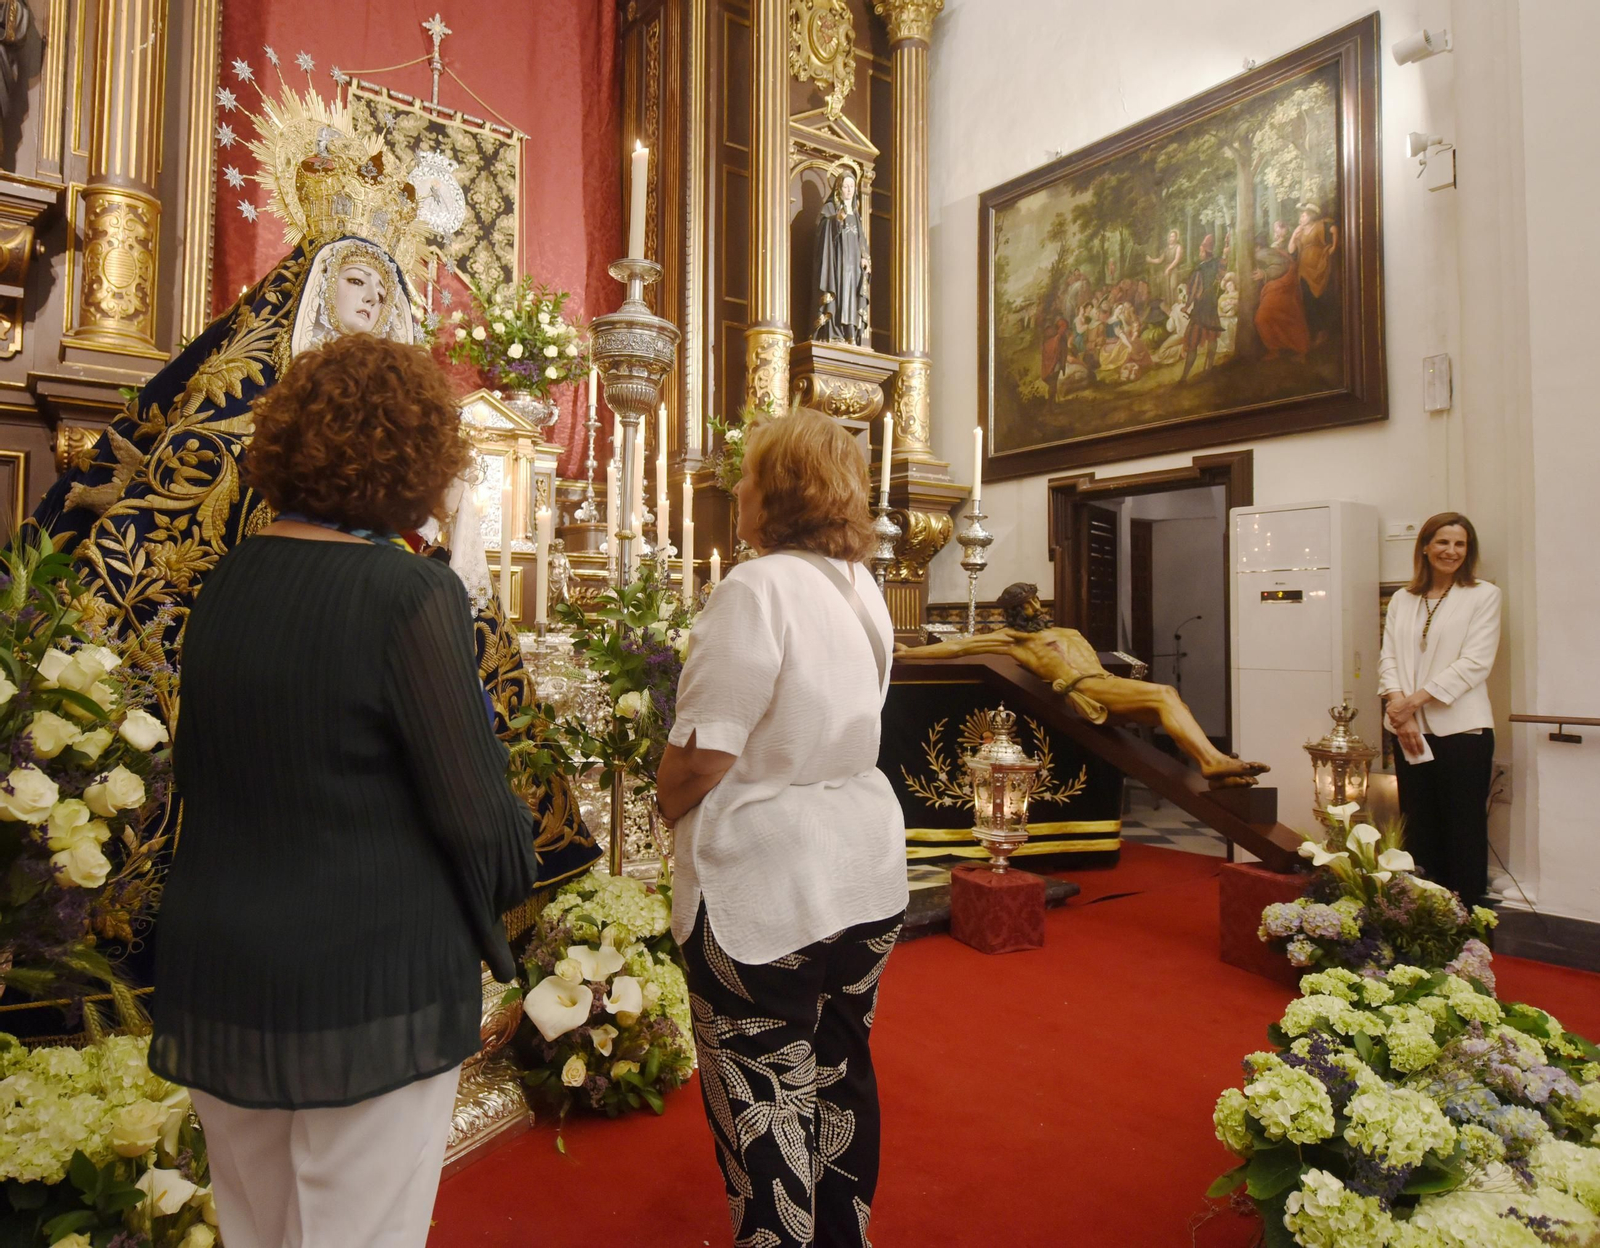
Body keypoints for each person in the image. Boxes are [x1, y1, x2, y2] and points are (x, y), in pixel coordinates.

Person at [148, 333, 539, 1248]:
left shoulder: (229, 581)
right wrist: (519, 885)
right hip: (370, 980)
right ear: (418, 459)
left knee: (256, 1228)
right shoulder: (407, 593)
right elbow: (476, 814)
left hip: (224, 967)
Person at [657, 408, 908, 1248]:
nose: (740, 489)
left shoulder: (755, 587)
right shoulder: (860, 586)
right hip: (861, 863)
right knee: (839, 1073)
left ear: (781, 490)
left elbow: (704, 753)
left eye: (751, 475)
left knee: (762, 1094)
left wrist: (662, 802)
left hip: (765, 879)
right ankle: (843, 1236)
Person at [898, 582, 1269, 788]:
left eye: (1033, 602)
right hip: (1086, 691)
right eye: (1023, 607)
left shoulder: (1066, 630)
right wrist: (906, 654)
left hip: (1105, 683)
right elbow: (960, 647)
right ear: (1013, 614)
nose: (1032, 610)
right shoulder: (1014, 638)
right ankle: (1211, 761)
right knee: (1165, 693)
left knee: (1172, 706)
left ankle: (1218, 774)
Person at [1378, 512, 1501, 903]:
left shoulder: (1483, 594)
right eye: (1443, 542)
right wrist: (1402, 711)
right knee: (1418, 825)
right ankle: (1421, 916)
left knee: (1462, 828)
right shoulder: (1403, 598)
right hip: (1408, 728)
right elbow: (1388, 659)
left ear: (1468, 551)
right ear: (1426, 547)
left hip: (1463, 731)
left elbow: (1475, 662)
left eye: (1460, 544)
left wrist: (1412, 702)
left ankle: (1464, 920)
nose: (1451, 551)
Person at [813, 168, 870, 345]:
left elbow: (861, 240)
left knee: (852, 296)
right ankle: (834, 330)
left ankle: (850, 332)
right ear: (839, 188)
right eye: (846, 186)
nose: (849, 190)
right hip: (837, 265)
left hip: (854, 266)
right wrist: (835, 220)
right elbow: (821, 231)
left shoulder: (856, 214)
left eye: (852, 186)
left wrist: (865, 257)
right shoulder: (830, 208)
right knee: (839, 293)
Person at [1252, 220, 1310, 360]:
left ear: (1287, 229)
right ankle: (1275, 348)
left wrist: (1265, 274)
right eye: (1275, 228)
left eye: (1280, 228)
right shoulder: (1273, 247)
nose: (1277, 231)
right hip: (1277, 285)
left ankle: (1300, 349)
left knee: (1288, 316)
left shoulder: (1292, 241)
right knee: (1268, 317)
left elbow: (1287, 264)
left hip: (1286, 285)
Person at [1288, 202, 1339, 346]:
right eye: (1301, 216)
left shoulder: (1322, 224)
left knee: (1322, 297)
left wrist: (1334, 246)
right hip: (1304, 268)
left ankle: (1324, 331)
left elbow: (1334, 229)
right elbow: (1291, 250)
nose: (1301, 218)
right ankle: (1315, 332)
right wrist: (1293, 236)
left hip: (1320, 266)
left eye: (1304, 215)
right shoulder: (1300, 230)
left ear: (1311, 215)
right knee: (1307, 299)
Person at [1179, 233, 1223, 382]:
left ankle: (1184, 377)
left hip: (1201, 308)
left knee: (1193, 341)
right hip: (1212, 305)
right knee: (1212, 336)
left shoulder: (1199, 269)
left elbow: (1194, 290)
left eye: (1200, 251)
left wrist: (1186, 306)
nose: (1199, 253)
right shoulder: (1218, 263)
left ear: (1205, 251)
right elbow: (1222, 274)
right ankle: (1208, 368)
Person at [1145, 228, 1184, 307]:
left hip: (1174, 270)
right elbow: (1160, 260)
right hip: (1166, 271)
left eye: (1173, 236)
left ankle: (1176, 307)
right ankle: (1169, 307)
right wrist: (1151, 260)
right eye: (1170, 237)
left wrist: (1169, 268)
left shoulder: (1178, 247)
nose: (1171, 238)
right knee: (1167, 289)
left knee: (1173, 287)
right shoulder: (1166, 249)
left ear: (1176, 238)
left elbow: (1176, 260)